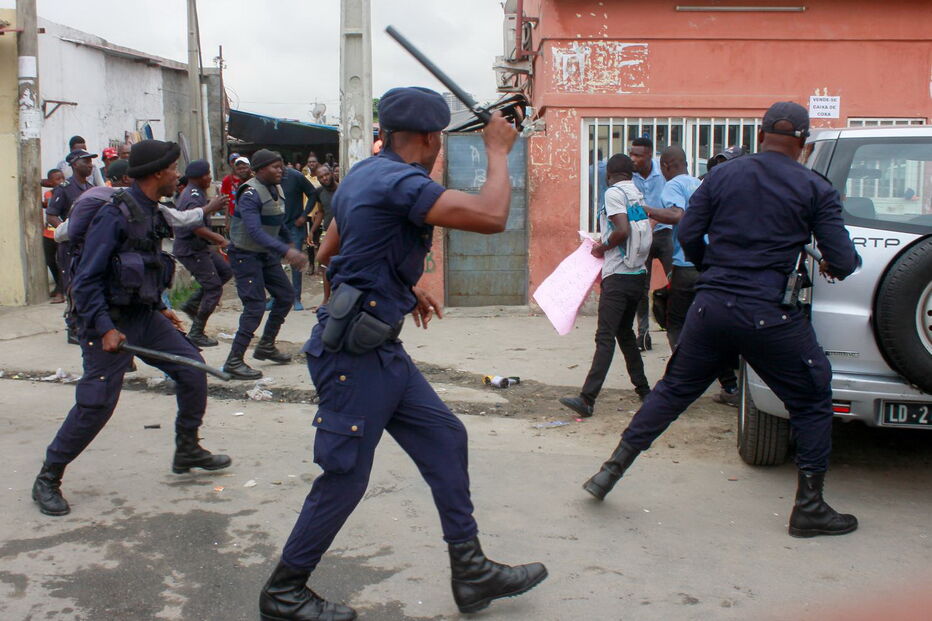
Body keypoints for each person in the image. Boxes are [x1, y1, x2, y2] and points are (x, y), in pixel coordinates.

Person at [258, 88, 547, 621]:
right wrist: (499, 151)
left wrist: (397, 284)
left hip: (376, 346)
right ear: (432, 138)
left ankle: (471, 571)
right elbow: (491, 215)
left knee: (444, 436)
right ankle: (285, 591)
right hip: (355, 354)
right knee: (346, 474)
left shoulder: (367, 174)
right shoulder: (400, 181)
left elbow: (329, 252)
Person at [581, 102, 862, 540]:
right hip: (769, 314)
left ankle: (610, 470)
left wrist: (715, 272)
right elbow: (843, 261)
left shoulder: (724, 176)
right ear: (803, 142)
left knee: (674, 389)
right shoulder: (814, 188)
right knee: (811, 397)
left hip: (711, 306)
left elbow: (688, 234)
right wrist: (831, 266)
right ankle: (809, 506)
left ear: (762, 134)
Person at [31, 139, 232, 518]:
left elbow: (146, 268)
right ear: (158, 173)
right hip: (103, 318)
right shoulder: (115, 215)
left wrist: (159, 308)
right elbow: (87, 280)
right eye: (173, 169)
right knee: (97, 402)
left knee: (191, 370)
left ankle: (187, 448)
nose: (178, 175)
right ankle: (48, 476)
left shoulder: (153, 212)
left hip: (141, 315)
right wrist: (105, 328)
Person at [642, 146, 739, 405]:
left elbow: (677, 215)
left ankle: (679, 382)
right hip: (711, 264)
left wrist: (647, 210)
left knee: (676, 324)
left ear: (665, 166)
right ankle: (730, 387)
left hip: (687, 265)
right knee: (711, 328)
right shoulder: (700, 184)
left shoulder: (672, 185)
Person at [559, 154, 653, 418]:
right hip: (638, 275)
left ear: (609, 174)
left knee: (605, 337)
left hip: (618, 275)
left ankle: (587, 399)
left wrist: (601, 247)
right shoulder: (636, 194)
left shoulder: (613, 193)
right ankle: (645, 392)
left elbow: (621, 230)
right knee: (625, 334)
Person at [223, 149, 308, 380]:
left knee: (285, 295)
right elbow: (254, 230)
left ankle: (266, 345)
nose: (281, 170)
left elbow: (277, 219)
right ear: (260, 170)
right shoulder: (250, 193)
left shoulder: (275, 189)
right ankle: (234, 360)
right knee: (255, 305)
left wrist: (289, 241)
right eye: (275, 167)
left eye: (281, 166)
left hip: (265, 255)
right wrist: (286, 250)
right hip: (245, 254)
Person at [173, 160, 233, 347]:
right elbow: (194, 226)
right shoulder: (192, 195)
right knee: (214, 288)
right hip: (191, 249)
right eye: (207, 174)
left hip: (199, 247)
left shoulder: (197, 193)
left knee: (225, 271)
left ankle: (192, 304)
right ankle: (197, 332)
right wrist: (220, 239)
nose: (210, 178)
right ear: (199, 177)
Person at [48, 149, 97, 343]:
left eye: (91, 162)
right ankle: (73, 328)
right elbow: (51, 214)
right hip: (70, 246)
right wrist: (65, 230)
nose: (90, 165)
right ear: (75, 164)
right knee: (73, 286)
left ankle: (85, 324)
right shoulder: (65, 188)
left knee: (86, 285)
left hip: (89, 245)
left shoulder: (91, 187)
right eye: (86, 161)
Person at [629, 137, 670, 352]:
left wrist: (653, 222)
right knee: (640, 287)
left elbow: (669, 207)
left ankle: (676, 328)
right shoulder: (629, 176)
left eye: (638, 155)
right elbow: (632, 207)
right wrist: (644, 226)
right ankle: (643, 334)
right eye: (631, 154)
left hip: (664, 235)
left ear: (649, 155)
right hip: (640, 236)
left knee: (677, 281)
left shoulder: (663, 174)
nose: (633, 159)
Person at [280, 164, 318, 310]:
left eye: (279, 166)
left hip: (294, 226)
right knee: (273, 263)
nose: (277, 170)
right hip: (276, 226)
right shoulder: (269, 180)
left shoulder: (295, 176)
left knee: (295, 261)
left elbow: (313, 193)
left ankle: (296, 297)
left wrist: (304, 215)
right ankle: (276, 296)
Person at [308, 165, 337, 282]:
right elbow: (321, 212)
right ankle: (326, 299)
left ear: (332, 173)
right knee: (325, 265)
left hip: (343, 232)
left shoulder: (344, 188)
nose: (325, 178)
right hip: (327, 232)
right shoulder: (319, 192)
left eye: (326, 174)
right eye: (321, 177)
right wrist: (312, 231)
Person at [42, 169, 66, 303]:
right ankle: (58, 286)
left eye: (62, 178)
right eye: (57, 179)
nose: (61, 181)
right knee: (50, 261)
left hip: (60, 234)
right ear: (50, 182)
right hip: (48, 233)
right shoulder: (48, 194)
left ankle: (61, 292)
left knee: (61, 262)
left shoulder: (66, 193)